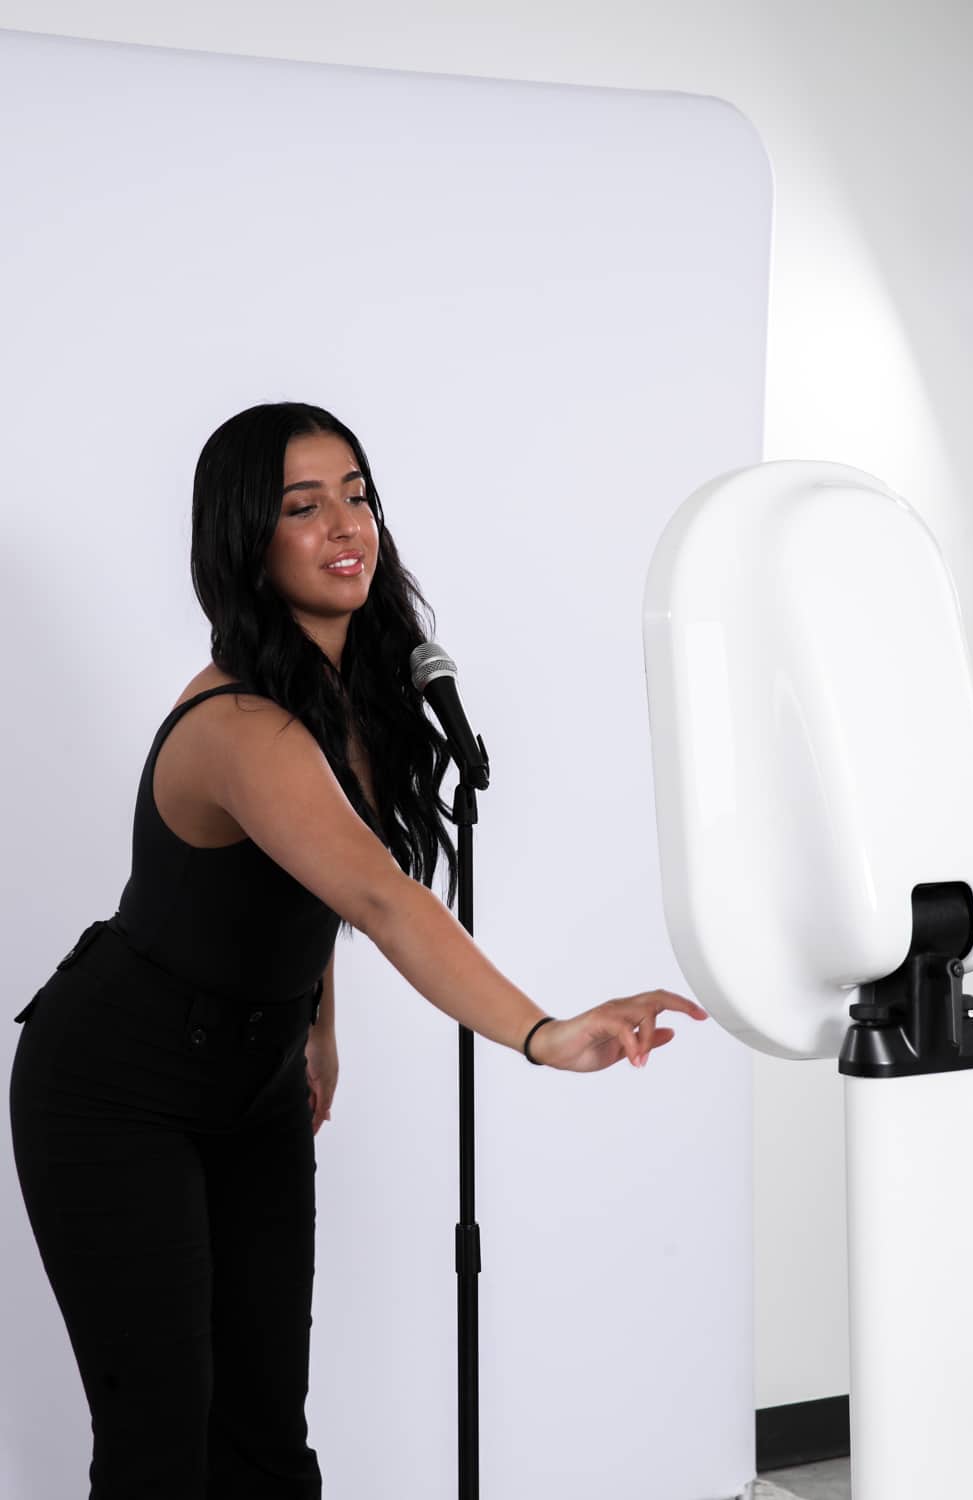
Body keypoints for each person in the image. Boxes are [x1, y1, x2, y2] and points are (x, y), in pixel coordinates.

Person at [8, 400, 707, 1499]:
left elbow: (310, 882)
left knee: (264, 1436)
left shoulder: (355, 697)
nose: (346, 525)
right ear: (247, 540)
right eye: (302, 505)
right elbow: (380, 900)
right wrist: (539, 1031)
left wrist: (317, 1024)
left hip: (255, 1080)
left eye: (357, 493)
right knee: (159, 1440)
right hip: (114, 1088)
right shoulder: (240, 724)